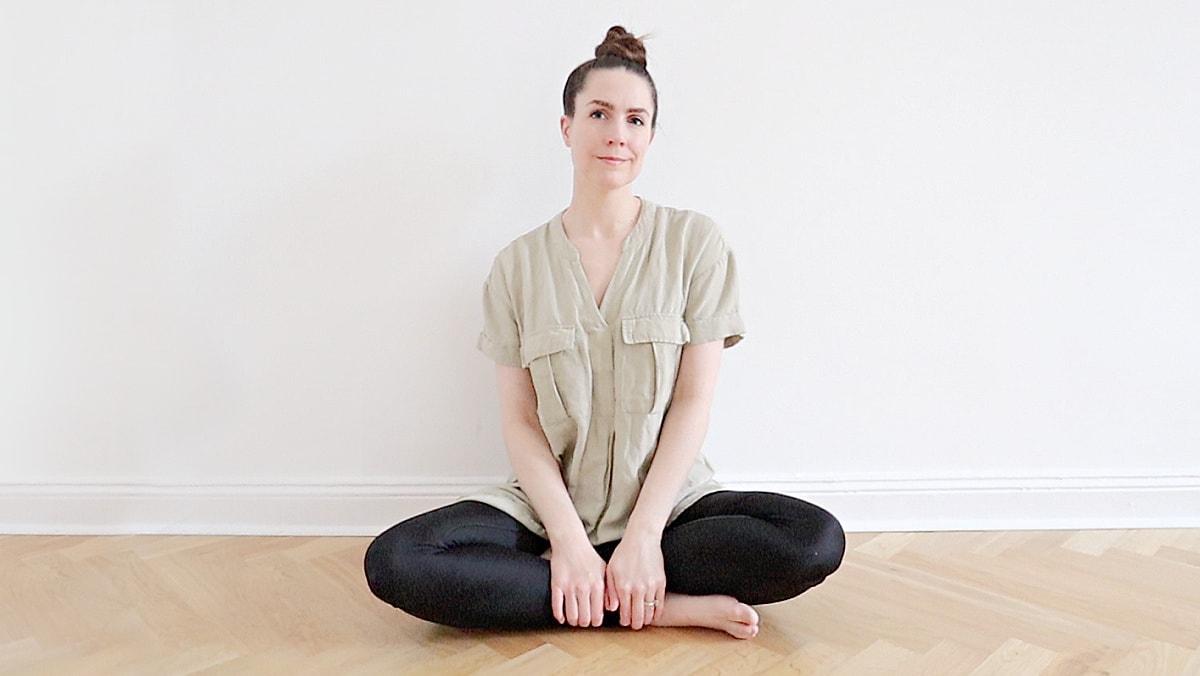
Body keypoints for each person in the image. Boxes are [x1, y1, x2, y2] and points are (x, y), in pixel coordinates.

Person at [364, 26, 844, 640]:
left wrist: (644, 535)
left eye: (637, 119)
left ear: (649, 135)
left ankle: (595, 586)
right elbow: (522, 422)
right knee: (397, 561)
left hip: (672, 511)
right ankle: (652, 604)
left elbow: (694, 402)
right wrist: (566, 540)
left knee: (813, 540)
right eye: (599, 113)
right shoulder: (517, 266)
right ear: (567, 127)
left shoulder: (694, 243)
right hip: (549, 512)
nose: (619, 132)